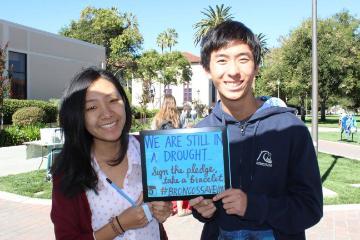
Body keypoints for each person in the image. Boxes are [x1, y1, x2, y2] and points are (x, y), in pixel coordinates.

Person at [189, 20, 323, 240]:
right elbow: (201, 203)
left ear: (257, 66)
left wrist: (253, 206)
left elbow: (311, 208)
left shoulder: (290, 129)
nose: (233, 71)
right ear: (207, 69)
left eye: (243, 59)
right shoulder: (201, 133)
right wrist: (203, 210)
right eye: (221, 60)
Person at [51, 67, 172, 240]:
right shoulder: (67, 172)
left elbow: (164, 198)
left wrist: (163, 208)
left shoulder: (148, 149)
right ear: (77, 115)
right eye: (92, 107)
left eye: (113, 100)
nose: (107, 113)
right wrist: (119, 225)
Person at [151, 94, 192, 217]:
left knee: (165, 182)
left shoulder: (157, 119)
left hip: (160, 156)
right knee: (177, 181)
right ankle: (180, 209)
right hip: (175, 155)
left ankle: (166, 210)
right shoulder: (177, 118)